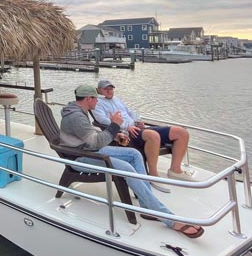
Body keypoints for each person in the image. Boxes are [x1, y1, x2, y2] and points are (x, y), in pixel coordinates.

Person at [60, 84, 203, 238]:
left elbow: (90, 135)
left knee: (134, 154)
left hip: (88, 150)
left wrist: (115, 136)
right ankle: (169, 219)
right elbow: (96, 142)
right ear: (88, 99)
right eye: (95, 98)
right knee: (125, 167)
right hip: (81, 158)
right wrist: (115, 125)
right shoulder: (76, 117)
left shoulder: (79, 111)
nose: (97, 102)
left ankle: (146, 205)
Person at [93, 80, 195, 192]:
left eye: (111, 88)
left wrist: (137, 121)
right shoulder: (97, 103)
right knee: (153, 135)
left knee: (181, 132)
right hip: (126, 133)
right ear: (99, 90)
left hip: (138, 129)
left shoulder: (117, 100)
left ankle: (175, 169)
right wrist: (126, 126)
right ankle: (152, 174)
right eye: (106, 89)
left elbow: (130, 112)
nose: (109, 91)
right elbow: (101, 120)